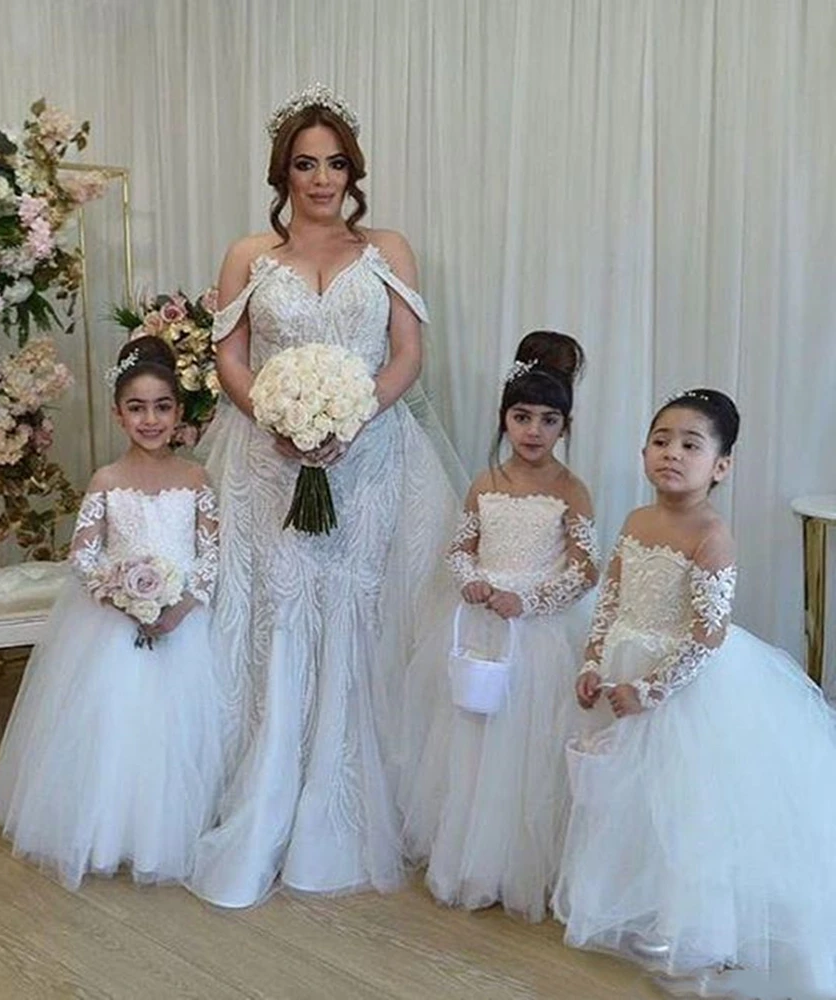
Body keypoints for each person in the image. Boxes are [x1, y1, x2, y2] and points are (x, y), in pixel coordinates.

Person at [188, 83, 459, 908]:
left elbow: (407, 354)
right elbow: (230, 358)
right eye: (305, 164)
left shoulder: (388, 249)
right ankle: (263, 786)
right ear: (283, 173)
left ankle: (351, 797)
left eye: (335, 163)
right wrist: (272, 415)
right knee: (275, 605)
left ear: (354, 170)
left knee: (363, 608)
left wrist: (352, 417)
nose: (321, 179)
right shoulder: (247, 255)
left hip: (372, 456)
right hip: (266, 460)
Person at [553, 389, 836, 999]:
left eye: (690, 444)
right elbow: (610, 600)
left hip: (686, 686)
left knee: (688, 810)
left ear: (721, 465)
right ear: (643, 452)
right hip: (627, 663)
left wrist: (649, 689)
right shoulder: (634, 521)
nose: (671, 454)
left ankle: (694, 931)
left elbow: (707, 636)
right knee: (627, 800)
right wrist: (594, 660)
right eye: (660, 441)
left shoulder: (712, 534)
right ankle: (643, 913)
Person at [0, 336, 224, 890]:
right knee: (114, 727)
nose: (150, 418)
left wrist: (180, 605)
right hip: (115, 628)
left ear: (179, 413)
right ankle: (108, 833)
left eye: (162, 406)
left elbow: (210, 556)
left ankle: (168, 833)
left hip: (184, 625)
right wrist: (123, 595)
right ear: (118, 414)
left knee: (176, 734)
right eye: (136, 408)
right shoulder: (107, 481)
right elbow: (83, 557)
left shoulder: (196, 481)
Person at [398, 331, 597, 917]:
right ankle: (468, 857)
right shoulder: (485, 483)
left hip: (536, 639)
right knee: (472, 745)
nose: (534, 431)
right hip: (481, 630)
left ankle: (520, 865)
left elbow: (585, 569)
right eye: (521, 417)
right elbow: (461, 548)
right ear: (504, 420)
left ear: (565, 426)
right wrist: (472, 580)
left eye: (548, 420)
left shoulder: (571, 491)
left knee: (527, 749)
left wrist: (530, 602)